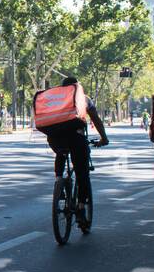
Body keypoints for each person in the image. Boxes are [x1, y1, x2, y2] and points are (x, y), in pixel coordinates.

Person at [37, 76, 109, 211]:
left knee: (61, 153)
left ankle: (59, 179)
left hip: (54, 139)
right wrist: (104, 138)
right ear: (76, 86)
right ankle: (81, 205)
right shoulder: (83, 98)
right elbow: (96, 120)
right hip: (76, 138)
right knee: (83, 172)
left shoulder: (54, 99)